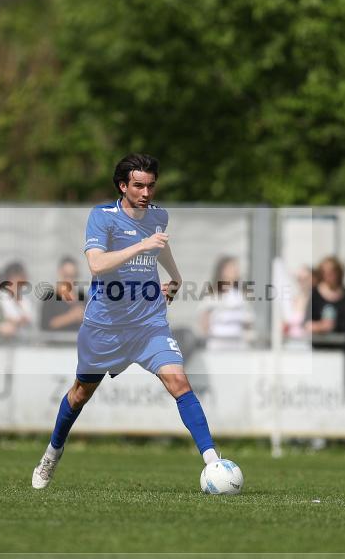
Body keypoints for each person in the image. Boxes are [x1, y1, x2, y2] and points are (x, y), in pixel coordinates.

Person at [31, 153, 223, 489]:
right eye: (139, 185)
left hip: (149, 323)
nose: (146, 192)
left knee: (180, 383)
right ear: (123, 186)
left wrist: (175, 277)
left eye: (150, 185)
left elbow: (158, 246)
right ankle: (52, 453)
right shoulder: (101, 217)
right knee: (79, 395)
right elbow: (97, 265)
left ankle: (214, 463)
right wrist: (141, 245)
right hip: (105, 327)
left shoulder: (158, 216)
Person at [308, 256, 345, 408]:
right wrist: (322, 326)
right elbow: (306, 325)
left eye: (332, 271)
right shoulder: (315, 295)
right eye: (325, 272)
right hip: (323, 346)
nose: (329, 275)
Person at [198, 255, 254, 349]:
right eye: (231, 267)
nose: (235, 270)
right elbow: (204, 320)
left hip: (238, 344)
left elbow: (249, 320)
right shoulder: (212, 295)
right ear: (222, 271)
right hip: (217, 344)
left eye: (236, 267)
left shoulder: (242, 294)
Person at [40, 256, 85, 333]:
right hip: (55, 344)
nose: (69, 280)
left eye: (73, 276)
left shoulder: (83, 297)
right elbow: (45, 325)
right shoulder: (50, 298)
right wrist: (71, 317)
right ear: (59, 274)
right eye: (66, 276)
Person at [0, 261, 36, 334]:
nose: (26, 278)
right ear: (13, 277)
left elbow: (31, 318)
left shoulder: (25, 296)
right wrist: (18, 321)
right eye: (23, 276)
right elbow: (6, 318)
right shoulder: (1, 294)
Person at [283, 265, 313, 342]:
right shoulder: (294, 299)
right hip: (291, 343)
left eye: (305, 279)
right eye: (299, 279)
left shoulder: (314, 300)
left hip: (307, 343)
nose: (302, 282)